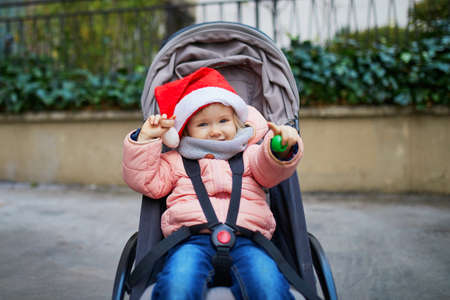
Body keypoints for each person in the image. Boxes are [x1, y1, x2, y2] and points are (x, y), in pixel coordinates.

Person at [122, 67, 304, 300]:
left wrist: (280, 148)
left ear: (237, 121)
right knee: (177, 286)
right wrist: (146, 139)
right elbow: (145, 180)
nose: (215, 131)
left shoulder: (251, 154)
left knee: (268, 286)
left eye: (223, 120)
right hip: (190, 240)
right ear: (185, 129)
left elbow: (269, 169)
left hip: (250, 240)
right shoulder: (175, 161)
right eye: (203, 125)